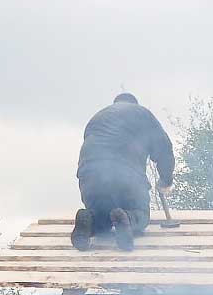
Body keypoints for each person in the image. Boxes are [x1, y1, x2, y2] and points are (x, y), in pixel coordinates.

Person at [71, 93, 175, 252]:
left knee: (102, 215)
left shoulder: (97, 118)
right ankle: (127, 218)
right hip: (125, 174)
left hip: (89, 175)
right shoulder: (142, 113)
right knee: (141, 214)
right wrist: (166, 180)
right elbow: (164, 150)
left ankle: (90, 219)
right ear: (135, 103)